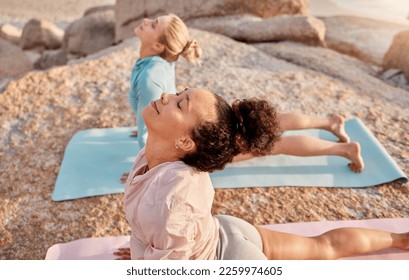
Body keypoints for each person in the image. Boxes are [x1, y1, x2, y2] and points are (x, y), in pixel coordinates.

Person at [115, 88, 408, 260]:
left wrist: (151, 259)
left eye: (180, 102)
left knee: (324, 247)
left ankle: (400, 240)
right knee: (322, 246)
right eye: (179, 95)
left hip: (232, 258)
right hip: (220, 231)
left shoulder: (172, 200)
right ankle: (399, 239)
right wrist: (146, 250)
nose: (166, 94)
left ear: (185, 142)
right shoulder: (156, 154)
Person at [122, 13, 363, 186]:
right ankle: (329, 123)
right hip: (203, 120)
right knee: (274, 123)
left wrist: (146, 170)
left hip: (206, 137)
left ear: (158, 44)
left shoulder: (151, 76)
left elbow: (154, 118)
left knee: (278, 144)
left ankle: (344, 149)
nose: (145, 21)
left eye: (153, 24)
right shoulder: (162, 61)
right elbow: (159, 103)